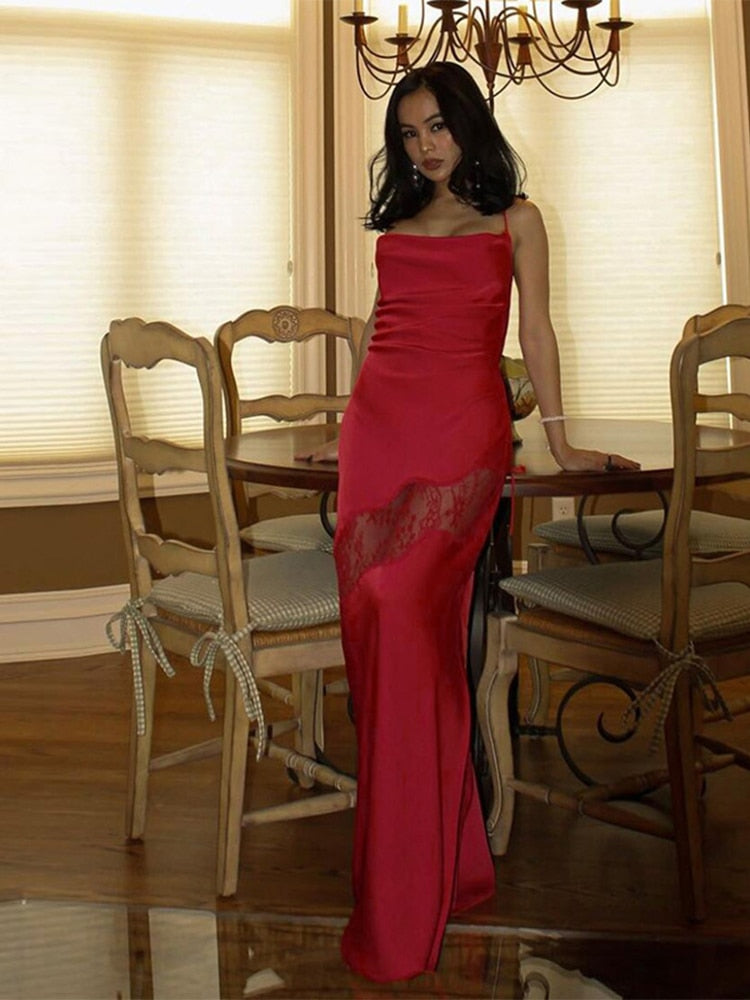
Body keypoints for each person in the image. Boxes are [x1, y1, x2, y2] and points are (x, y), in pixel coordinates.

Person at [298, 61, 639, 982]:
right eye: (409, 134)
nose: (425, 146)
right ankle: (446, 862)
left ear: (468, 123)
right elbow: (383, 333)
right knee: (387, 635)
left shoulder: (516, 219)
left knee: (405, 614)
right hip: (381, 434)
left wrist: (558, 440)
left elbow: (536, 332)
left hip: (462, 435)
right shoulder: (397, 228)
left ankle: (403, 894)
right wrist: (345, 430)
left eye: (437, 126)